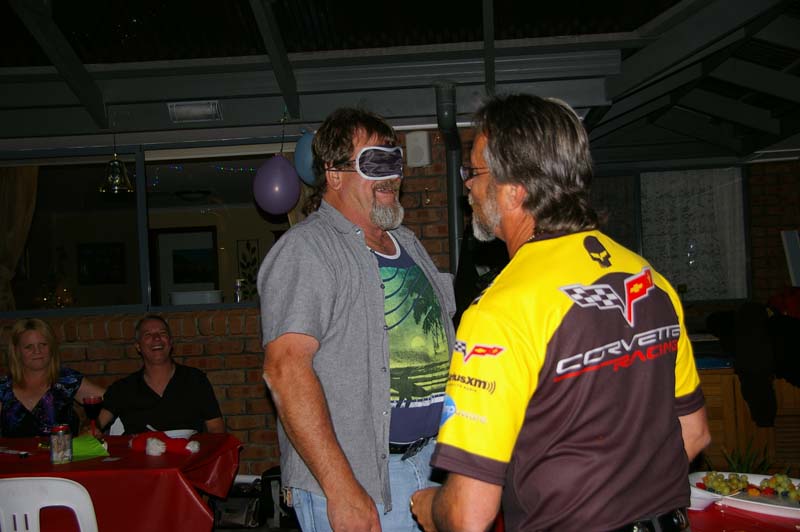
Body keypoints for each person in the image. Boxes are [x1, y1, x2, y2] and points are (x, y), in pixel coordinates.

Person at [410, 94, 711, 531]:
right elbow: (694, 432)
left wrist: (433, 507)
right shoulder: (650, 281)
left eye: (473, 173)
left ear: (515, 190)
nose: (468, 187)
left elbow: (468, 514)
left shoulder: (500, 310)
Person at [258, 107, 456, 531]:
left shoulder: (408, 244)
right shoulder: (307, 250)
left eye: (394, 162)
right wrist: (341, 487)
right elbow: (285, 369)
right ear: (334, 173)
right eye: (374, 163)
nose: (391, 177)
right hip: (359, 479)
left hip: (429, 463)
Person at [97, 315, 224, 434]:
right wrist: (92, 429)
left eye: (162, 333)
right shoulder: (124, 388)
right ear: (138, 346)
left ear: (170, 342)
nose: (157, 338)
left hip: (189, 449)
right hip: (139, 450)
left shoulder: (195, 379)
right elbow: (97, 424)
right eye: (148, 334)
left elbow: (216, 428)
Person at [1, 318, 106, 437]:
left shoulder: (67, 380)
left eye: (43, 345)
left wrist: (91, 426)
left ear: (51, 347)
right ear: (16, 351)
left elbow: (112, 400)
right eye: (29, 347)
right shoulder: (3, 388)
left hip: (62, 449)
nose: (37, 351)